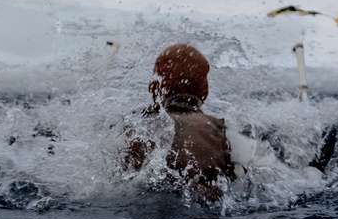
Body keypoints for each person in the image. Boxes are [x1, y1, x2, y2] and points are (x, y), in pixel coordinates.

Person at [122, 43, 327, 204]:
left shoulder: (131, 132)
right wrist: (314, 170)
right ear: (205, 91)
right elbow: (294, 188)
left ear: (153, 88)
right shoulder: (228, 138)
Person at [123, 44, 235, 203]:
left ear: (154, 88)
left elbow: (120, 180)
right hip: (205, 208)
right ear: (205, 92)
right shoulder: (221, 130)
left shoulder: (139, 128)